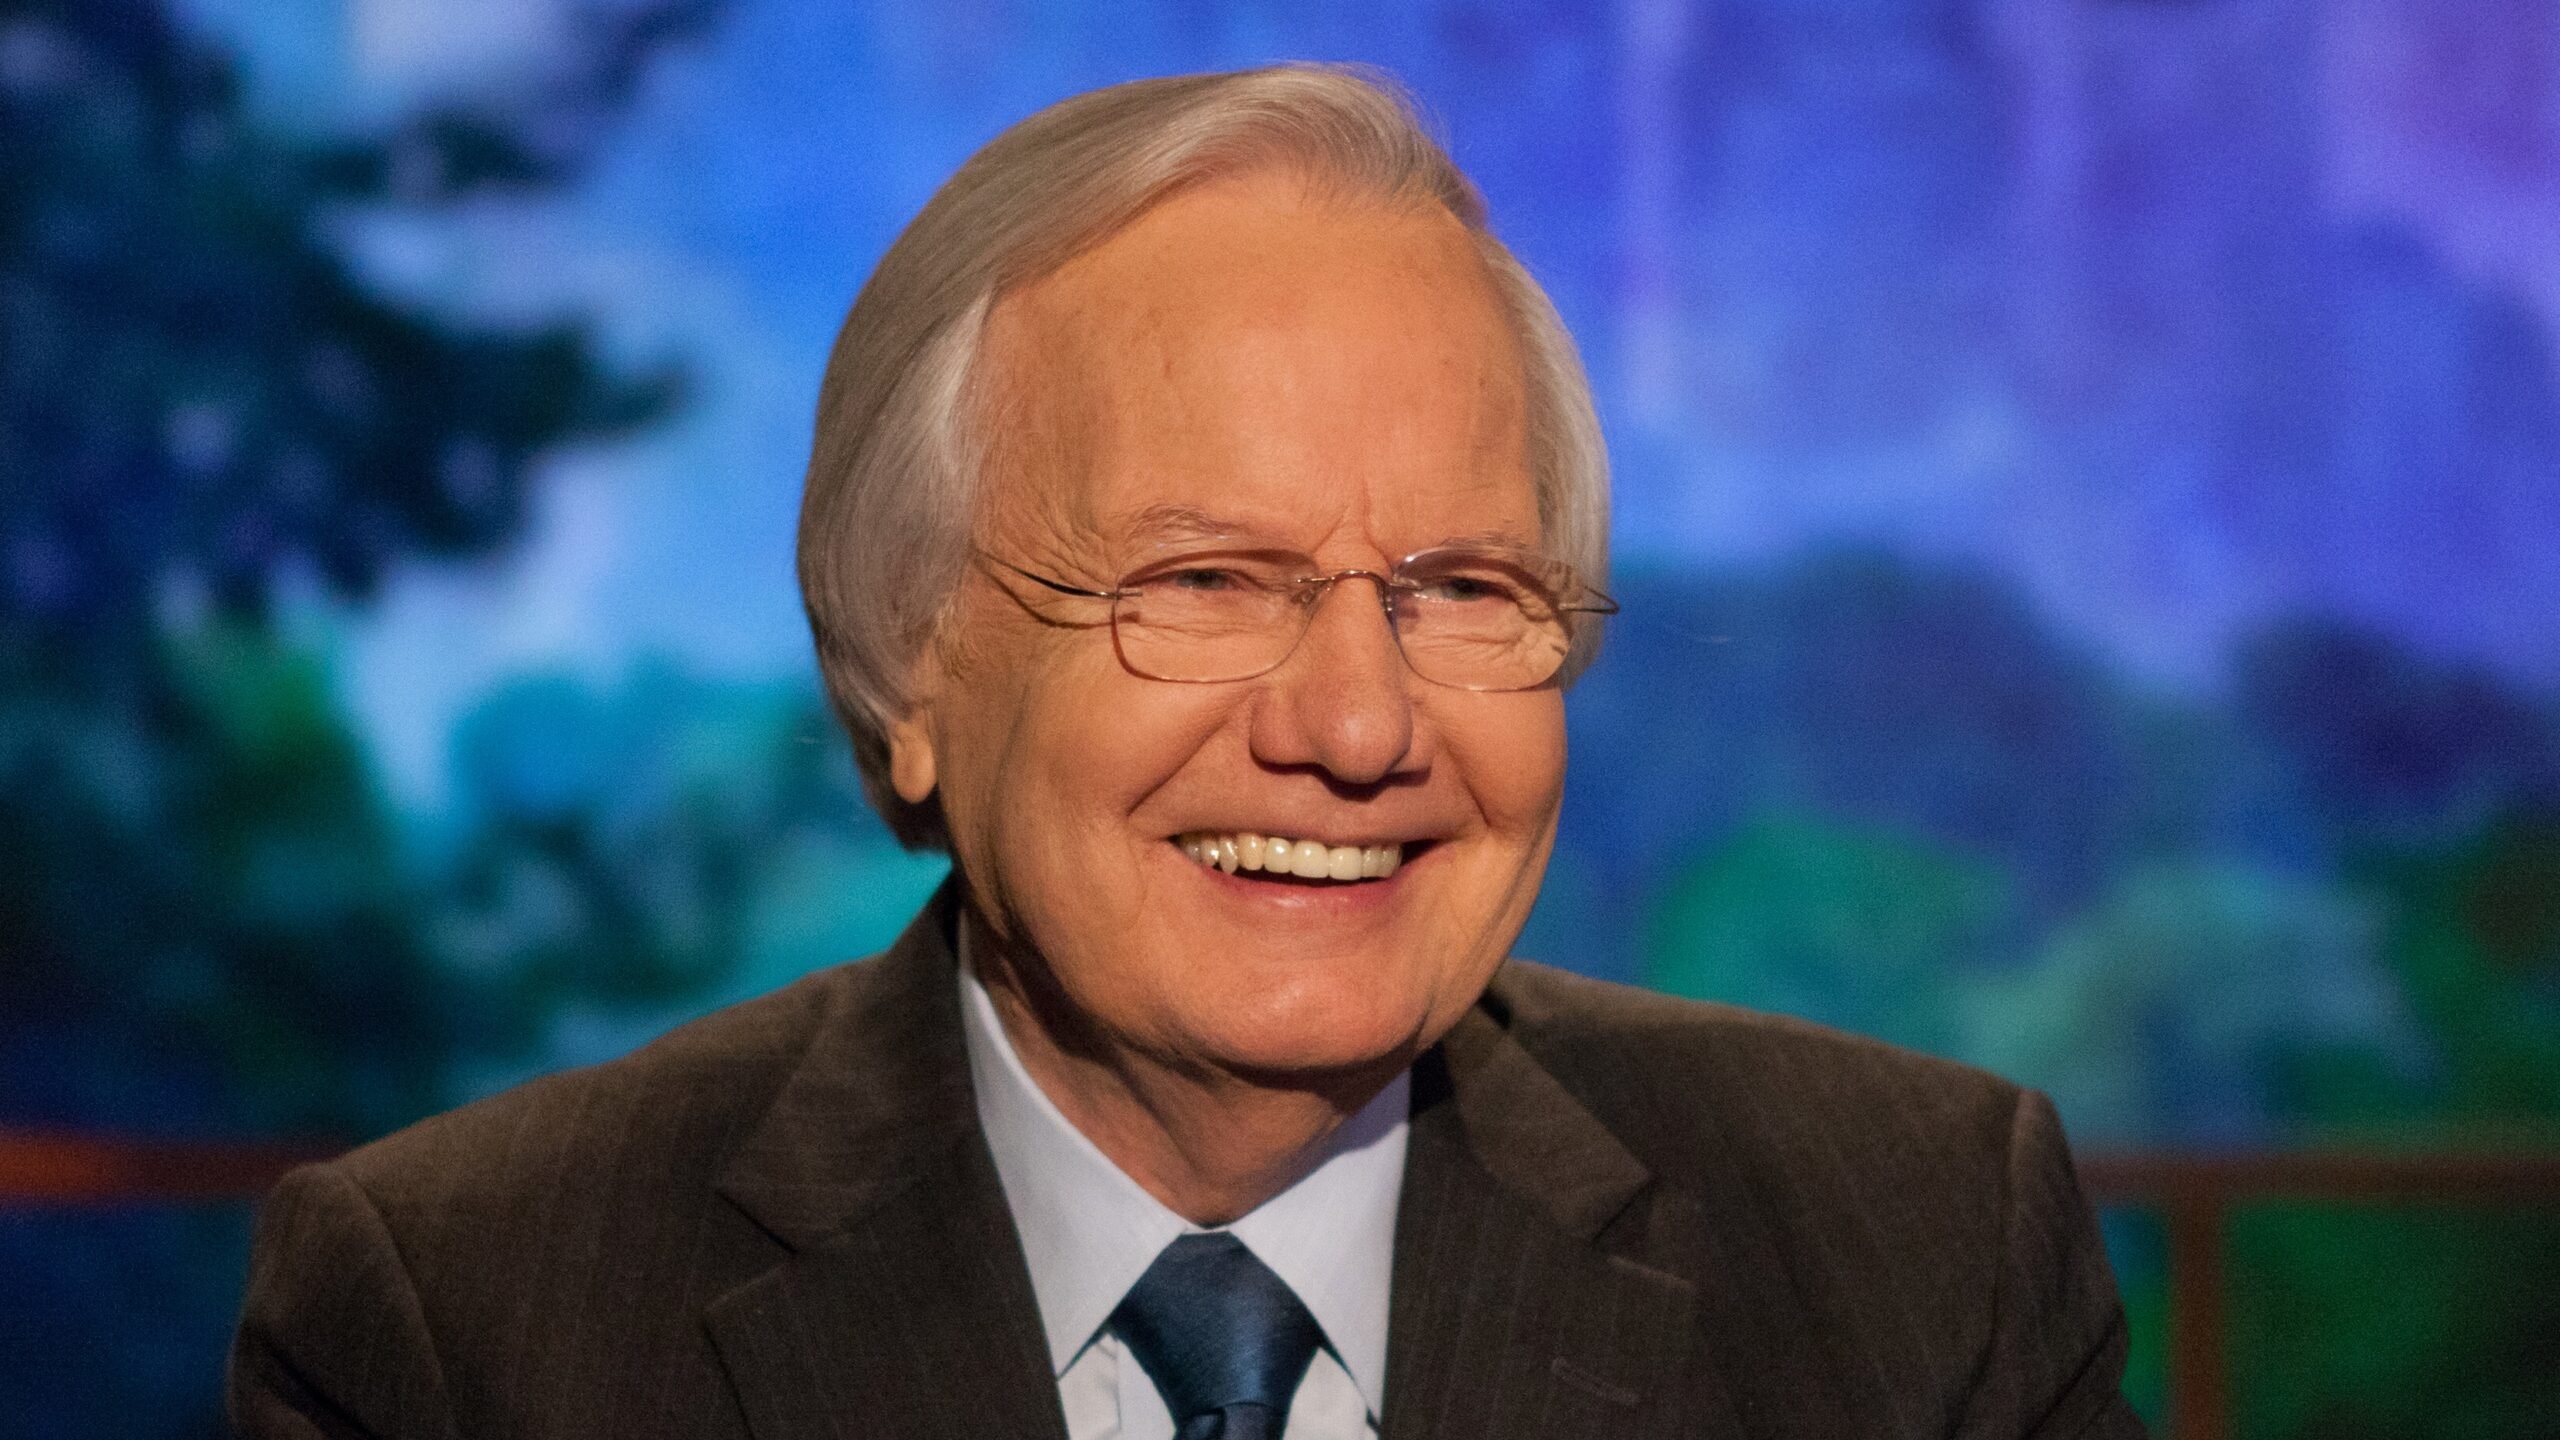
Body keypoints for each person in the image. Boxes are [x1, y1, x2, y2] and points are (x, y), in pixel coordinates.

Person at [230, 65, 2143, 1440]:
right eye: (1207, 579)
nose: (1358, 725)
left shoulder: (1919, 1258)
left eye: (1466, 586)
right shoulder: (463, 1330)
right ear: (912, 668)